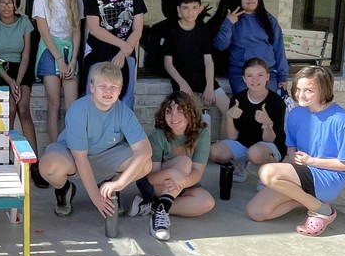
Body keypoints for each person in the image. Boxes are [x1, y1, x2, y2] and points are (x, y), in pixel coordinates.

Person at [247, 66, 345, 236]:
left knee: (267, 172)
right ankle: (310, 201)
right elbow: (291, 147)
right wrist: (292, 157)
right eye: (298, 89)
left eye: (309, 90)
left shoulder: (341, 120)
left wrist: (312, 161)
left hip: (328, 178)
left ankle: (321, 210)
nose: (301, 95)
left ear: (324, 90)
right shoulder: (296, 113)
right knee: (256, 212)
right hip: (303, 174)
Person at [37, 62, 153, 219]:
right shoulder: (78, 109)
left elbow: (145, 150)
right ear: (92, 87)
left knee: (145, 164)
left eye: (113, 87)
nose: (108, 91)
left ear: (120, 90)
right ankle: (65, 189)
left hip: (106, 156)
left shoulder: (124, 112)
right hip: (74, 157)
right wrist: (96, 199)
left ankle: (109, 189)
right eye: (102, 86)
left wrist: (120, 183)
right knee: (48, 166)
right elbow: (80, 158)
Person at [131, 92, 215, 241]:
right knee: (184, 161)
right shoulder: (157, 135)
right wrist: (172, 174)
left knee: (207, 202)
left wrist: (182, 181)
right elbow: (151, 177)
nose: (174, 117)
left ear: (190, 113)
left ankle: (154, 207)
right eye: (169, 111)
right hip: (155, 185)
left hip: (182, 182)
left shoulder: (201, 134)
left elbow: (197, 172)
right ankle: (160, 216)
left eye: (180, 111)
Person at [0, 0, 43, 187]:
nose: (6, 6)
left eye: (10, 2)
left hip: (21, 70)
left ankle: (34, 164)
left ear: (16, 4)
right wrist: (10, 81)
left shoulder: (25, 22)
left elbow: (26, 55)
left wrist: (17, 81)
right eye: (2, 2)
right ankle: (3, 160)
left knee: (23, 109)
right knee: (9, 109)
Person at [82, 0, 146, 108]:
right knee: (94, 94)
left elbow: (137, 29)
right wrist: (123, 45)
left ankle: (122, 124)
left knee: (125, 97)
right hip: (98, 51)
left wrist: (123, 53)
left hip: (125, 54)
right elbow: (94, 28)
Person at [208, 57, 288, 183]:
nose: (255, 80)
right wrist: (229, 117)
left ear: (267, 77)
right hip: (244, 143)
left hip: (269, 146)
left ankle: (270, 172)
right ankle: (241, 162)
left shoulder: (276, 102)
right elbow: (232, 137)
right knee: (214, 152)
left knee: (254, 153)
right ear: (244, 78)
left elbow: (270, 139)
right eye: (250, 76)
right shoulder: (238, 99)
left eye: (260, 75)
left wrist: (267, 123)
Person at [163, 0, 230, 135]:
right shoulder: (171, 31)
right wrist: (182, 84)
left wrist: (209, 87)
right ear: (179, 9)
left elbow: (208, 61)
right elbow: (168, 63)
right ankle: (186, 146)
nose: (190, 12)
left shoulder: (203, 30)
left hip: (202, 78)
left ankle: (227, 144)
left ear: (200, 9)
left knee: (229, 110)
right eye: (185, 8)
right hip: (181, 80)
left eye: (194, 7)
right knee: (183, 115)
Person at [32, 0, 84, 139]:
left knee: (72, 104)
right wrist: (60, 60)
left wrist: (73, 60)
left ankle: (73, 144)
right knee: (53, 103)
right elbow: (44, 33)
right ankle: (55, 146)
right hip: (49, 50)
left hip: (69, 50)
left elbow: (77, 31)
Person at [213, 0, 288, 95]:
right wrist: (228, 23)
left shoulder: (268, 20)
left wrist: (282, 75)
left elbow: (279, 48)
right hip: (241, 75)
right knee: (244, 106)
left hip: (267, 74)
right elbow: (220, 45)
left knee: (268, 106)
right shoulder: (232, 19)